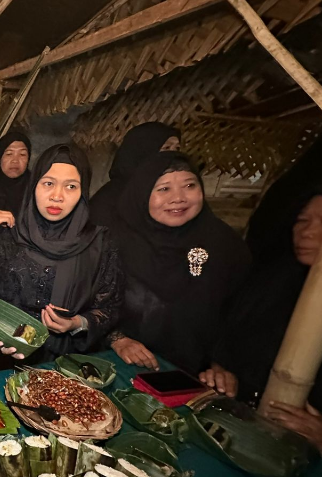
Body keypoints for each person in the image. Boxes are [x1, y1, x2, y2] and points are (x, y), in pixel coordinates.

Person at [0, 143, 124, 373]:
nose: (57, 196)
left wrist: (76, 323)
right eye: (48, 183)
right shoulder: (7, 234)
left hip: (61, 367)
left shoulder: (99, 244)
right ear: (34, 185)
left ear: (83, 192)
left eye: (71, 186)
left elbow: (110, 307)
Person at [106, 151, 250, 375]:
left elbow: (241, 312)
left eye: (189, 186)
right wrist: (117, 338)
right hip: (119, 363)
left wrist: (222, 363)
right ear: (142, 194)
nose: (178, 198)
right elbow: (91, 301)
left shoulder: (224, 244)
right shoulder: (113, 241)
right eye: (164, 189)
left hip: (195, 373)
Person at [200, 191, 322, 452]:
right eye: (301, 220)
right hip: (239, 428)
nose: (307, 232)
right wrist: (222, 372)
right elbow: (226, 339)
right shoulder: (273, 280)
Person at [90, 122, 180, 227]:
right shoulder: (113, 200)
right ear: (143, 152)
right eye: (166, 148)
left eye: (177, 148)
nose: (175, 156)